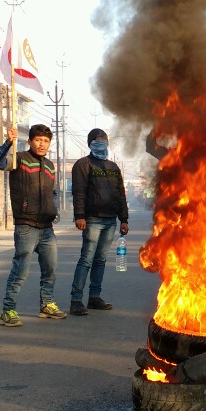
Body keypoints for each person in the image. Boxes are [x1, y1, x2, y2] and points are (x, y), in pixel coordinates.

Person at [0, 125, 67, 326]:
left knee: (50, 269)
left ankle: (47, 304)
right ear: (30, 141)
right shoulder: (19, 159)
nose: (42, 144)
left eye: (46, 141)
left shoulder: (50, 165)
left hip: (47, 227)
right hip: (26, 226)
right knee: (20, 271)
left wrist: (54, 208)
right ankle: (8, 310)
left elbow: (52, 192)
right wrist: (8, 142)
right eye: (38, 140)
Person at [69, 128, 129, 316]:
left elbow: (121, 194)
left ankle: (94, 297)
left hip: (110, 220)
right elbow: (78, 192)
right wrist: (80, 216)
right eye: (97, 139)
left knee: (100, 260)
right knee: (86, 259)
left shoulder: (113, 167)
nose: (101, 142)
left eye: (104, 139)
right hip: (92, 219)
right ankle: (76, 300)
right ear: (90, 143)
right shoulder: (83, 164)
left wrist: (124, 219)